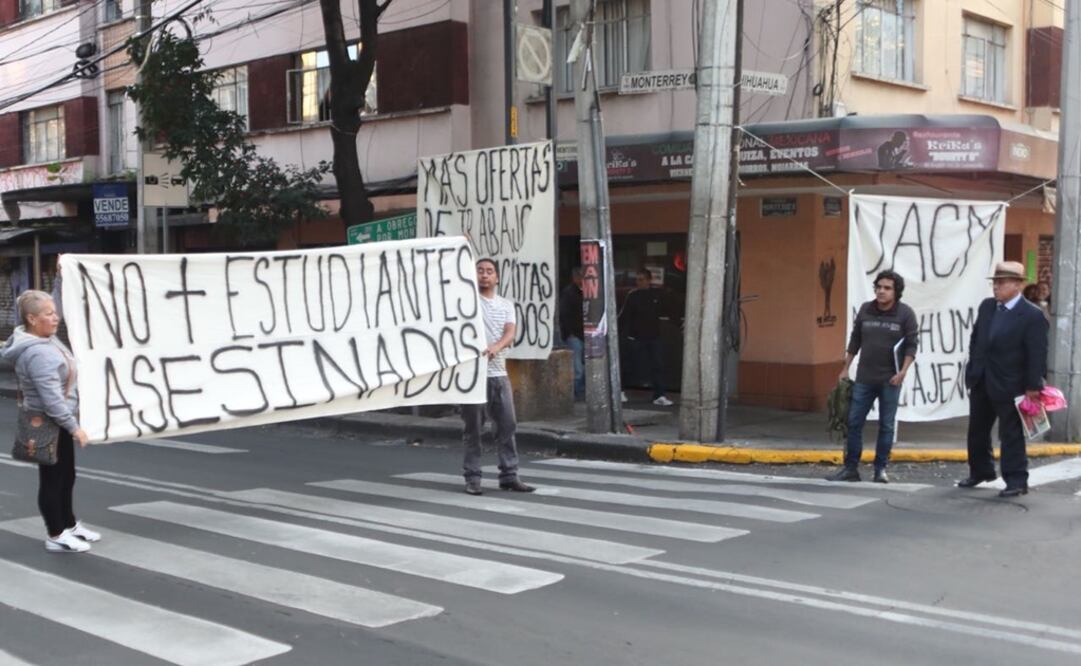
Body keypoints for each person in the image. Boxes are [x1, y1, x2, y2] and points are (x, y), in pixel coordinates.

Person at [2, 288, 98, 552]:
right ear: (32, 319)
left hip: (58, 420)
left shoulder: (45, 338)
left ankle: (69, 525)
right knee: (53, 478)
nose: (56, 318)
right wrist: (74, 428)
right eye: (49, 314)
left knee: (67, 476)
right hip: (49, 423)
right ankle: (56, 534)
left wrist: (60, 275)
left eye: (55, 313)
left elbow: (55, 301)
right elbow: (51, 400)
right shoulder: (38, 353)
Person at [959, 261, 1049, 498]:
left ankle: (1017, 480)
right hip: (982, 379)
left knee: (1010, 433)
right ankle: (980, 471)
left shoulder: (1032, 315)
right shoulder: (988, 307)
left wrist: (1033, 386)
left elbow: (1037, 354)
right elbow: (976, 338)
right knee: (977, 430)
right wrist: (973, 368)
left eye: (1001, 283)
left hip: (1012, 383)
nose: (996, 287)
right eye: (995, 282)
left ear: (1017, 285)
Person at [827, 270, 917, 484]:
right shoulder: (866, 310)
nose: (881, 291)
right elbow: (855, 340)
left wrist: (902, 372)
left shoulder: (905, 314)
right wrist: (845, 368)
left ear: (896, 292)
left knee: (886, 425)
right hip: (864, 379)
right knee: (854, 421)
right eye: (879, 287)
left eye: (887, 288)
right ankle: (850, 468)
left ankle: (880, 469)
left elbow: (911, 346)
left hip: (890, 380)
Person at [460, 258, 536, 496]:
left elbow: (510, 332)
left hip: (499, 375)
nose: (484, 275)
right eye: (480, 271)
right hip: (473, 376)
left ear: (497, 277)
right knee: (473, 429)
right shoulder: (467, 302)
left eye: (489, 271)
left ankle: (509, 475)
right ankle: (473, 478)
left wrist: (496, 346)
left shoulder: (506, 305)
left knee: (507, 426)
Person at [620, 269, 673, 407]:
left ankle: (659, 395)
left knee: (657, 365)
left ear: (649, 280)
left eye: (642, 279)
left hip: (653, 336)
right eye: (637, 279)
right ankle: (620, 390)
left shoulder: (656, 295)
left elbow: (668, 309)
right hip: (635, 336)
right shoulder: (632, 296)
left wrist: (678, 323)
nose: (639, 282)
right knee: (629, 365)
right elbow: (624, 315)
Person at [559, 267, 585, 400]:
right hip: (574, 334)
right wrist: (570, 333)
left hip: (584, 334)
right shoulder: (569, 293)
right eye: (581, 276)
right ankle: (577, 392)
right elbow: (564, 314)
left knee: (583, 364)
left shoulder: (586, 292)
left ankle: (580, 391)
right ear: (575, 278)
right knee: (577, 367)